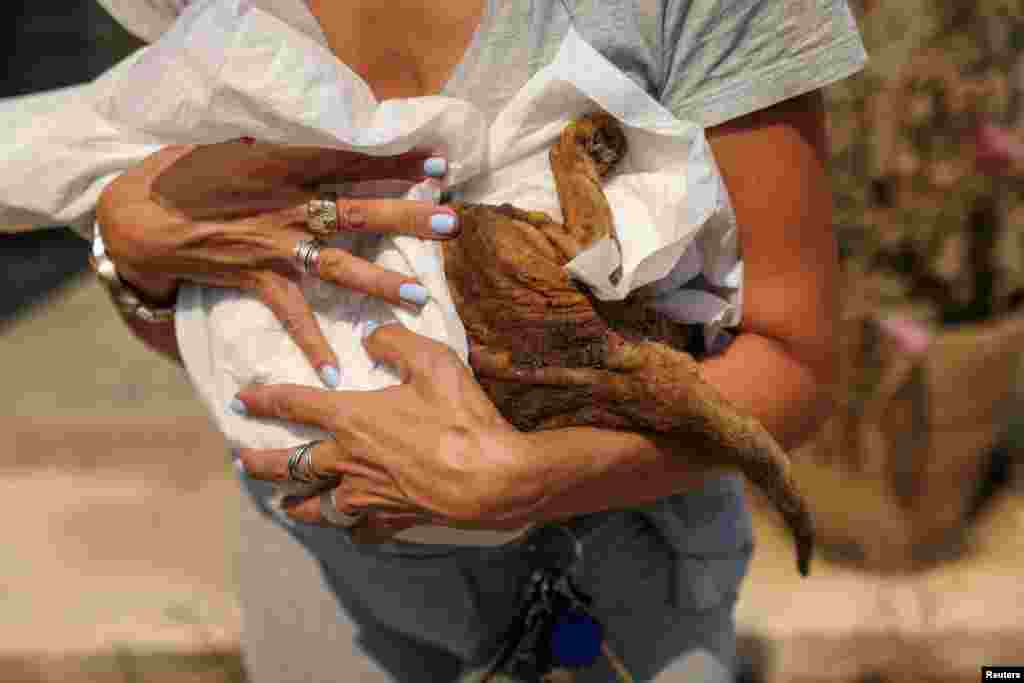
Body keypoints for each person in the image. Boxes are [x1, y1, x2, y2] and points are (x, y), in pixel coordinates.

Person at [2, 0, 867, 680]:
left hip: (625, 573)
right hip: (324, 564)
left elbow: (793, 359)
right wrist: (138, 256)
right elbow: (217, 334)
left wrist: (536, 479)